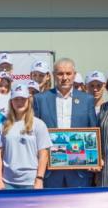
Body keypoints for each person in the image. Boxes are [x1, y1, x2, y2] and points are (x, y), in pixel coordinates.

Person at [33, 58, 98, 188]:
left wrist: (95, 158)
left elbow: (93, 131)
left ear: (74, 74)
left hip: (79, 171)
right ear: (53, 75)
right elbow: (35, 133)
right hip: (49, 170)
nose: (64, 78)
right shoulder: (40, 99)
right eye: (60, 73)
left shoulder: (87, 100)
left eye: (68, 73)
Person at [0, 83, 51, 189]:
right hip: (8, 182)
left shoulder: (39, 124)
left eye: (23, 99)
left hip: (31, 182)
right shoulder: (3, 125)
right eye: (16, 99)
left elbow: (43, 154)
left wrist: (39, 179)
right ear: (11, 102)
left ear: (28, 101)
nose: (19, 102)